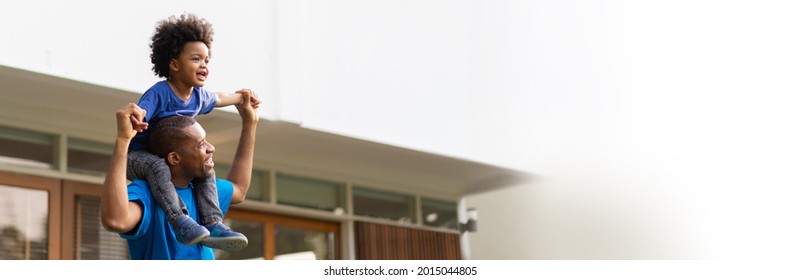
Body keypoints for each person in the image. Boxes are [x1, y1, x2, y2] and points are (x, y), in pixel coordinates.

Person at [125, 13, 261, 251]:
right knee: (157, 168)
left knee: (206, 169)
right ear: (174, 64)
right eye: (196, 59)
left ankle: (213, 222)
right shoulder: (160, 92)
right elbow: (142, 110)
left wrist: (242, 97)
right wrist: (136, 118)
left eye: (207, 60)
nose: (204, 65)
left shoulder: (198, 96)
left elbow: (218, 97)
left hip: (167, 157)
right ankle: (179, 221)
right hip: (139, 156)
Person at [100, 93, 259, 259]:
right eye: (201, 145)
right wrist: (123, 139)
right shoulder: (145, 192)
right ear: (174, 158)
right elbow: (115, 221)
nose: (211, 148)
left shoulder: (204, 192)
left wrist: (250, 123)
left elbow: (239, 189)